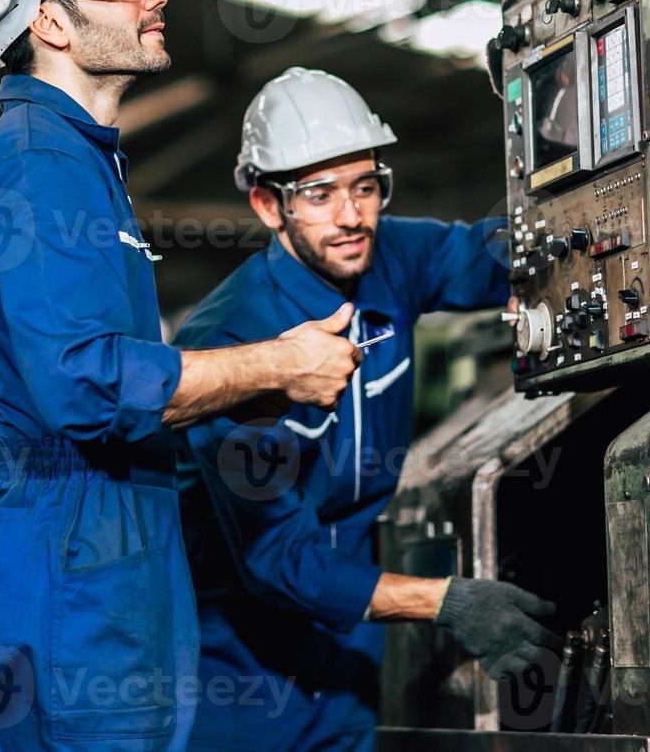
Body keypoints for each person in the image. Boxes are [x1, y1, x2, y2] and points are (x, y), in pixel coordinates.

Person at [0, 0, 362, 751]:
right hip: (78, 561)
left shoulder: (76, 162)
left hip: (100, 551)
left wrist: (243, 393)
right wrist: (275, 363)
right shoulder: (40, 167)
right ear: (50, 22)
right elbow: (89, 386)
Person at [173, 67, 560, 750]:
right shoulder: (231, 345)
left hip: (350, 642)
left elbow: (495, 252)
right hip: (238, 662)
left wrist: (592, 208)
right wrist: (447, 601)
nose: (351, 217)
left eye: (366, 187)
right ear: (269, 205)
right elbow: (277, 559)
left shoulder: (389, 257)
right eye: (319, 195)